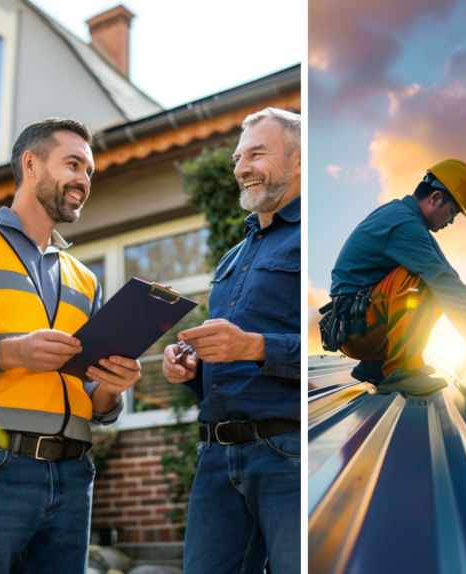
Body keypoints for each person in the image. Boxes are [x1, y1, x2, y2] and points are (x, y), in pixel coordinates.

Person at [0, 118, 141, 572]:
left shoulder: (85, 278)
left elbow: (93, 401)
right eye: (73, 164)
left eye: (89, 171)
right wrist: (9, 352)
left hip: (72, 478)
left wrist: (110, 388)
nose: (83, 179)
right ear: (30, 164)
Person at [162, 108, 301, 574]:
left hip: (291, 455)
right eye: (239, 157)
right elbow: (228, 366)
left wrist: (253, 346)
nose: (241, 167)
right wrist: (192, 370)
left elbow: (344, 354)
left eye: (257, 153)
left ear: (300, 160)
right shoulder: (232, 258)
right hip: (216, 459)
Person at [323, 159, 466, 396]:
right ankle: (401, 369)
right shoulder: (403, 222)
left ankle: (377, 365)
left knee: (438, 280)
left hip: (364, 325)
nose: (452, 221)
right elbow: (442, 282)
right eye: (452, 212)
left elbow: (454, 282)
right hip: (356, 332)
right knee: (424, 279)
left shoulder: (411, 223)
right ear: (435, 198)